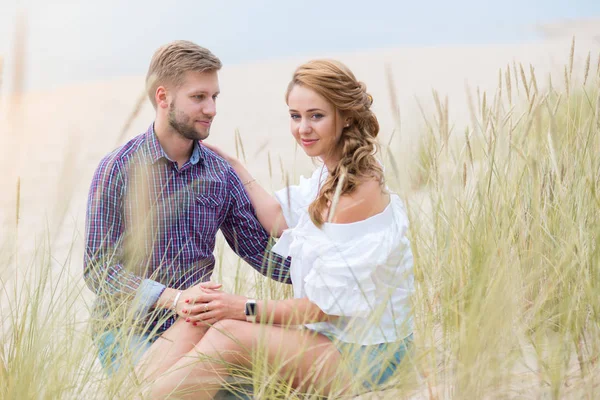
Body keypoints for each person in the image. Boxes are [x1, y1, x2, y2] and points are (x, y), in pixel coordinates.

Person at [138, 59, 415, 399]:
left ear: (345, 117)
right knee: (202, 316)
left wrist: (240, 307)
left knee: (228, 331)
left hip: (367, 354)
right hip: (330, 340)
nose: (303, 128)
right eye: (295, 116)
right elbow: (279, 220)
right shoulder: (329, 176)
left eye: (316, 116)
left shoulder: (354, 194)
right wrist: (235, 166)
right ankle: (136, 390)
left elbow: (320, 308)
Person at [83, 40, 292, 376]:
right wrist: (174, 298)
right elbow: (98, 270)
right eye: (199, 97)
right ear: (163, 97)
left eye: (214, 97)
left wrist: (336, 273)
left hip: (195, 327)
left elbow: (261, 253)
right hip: (127, 331)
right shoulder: (118, 168)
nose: (211, 109)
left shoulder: (219, 173)